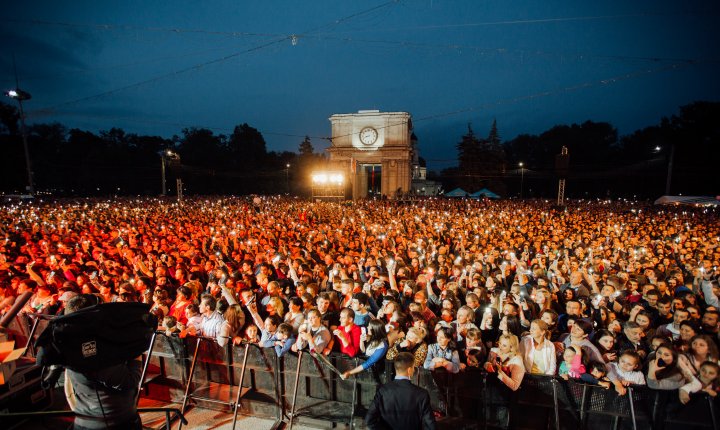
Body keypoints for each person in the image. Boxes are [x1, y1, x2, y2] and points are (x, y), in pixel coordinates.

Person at [62, 294, 143, 429]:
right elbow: (129, 380)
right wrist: (136, 350)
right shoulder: (93, 349)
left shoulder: (67, 340)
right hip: (112, 423)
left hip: (86, 417)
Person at [365, 352, 436, 430]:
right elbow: (430, 426)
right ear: (409, 370)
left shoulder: (382, 391)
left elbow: (369, 420)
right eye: (413, 367)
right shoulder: (422, 394)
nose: (413, 370)